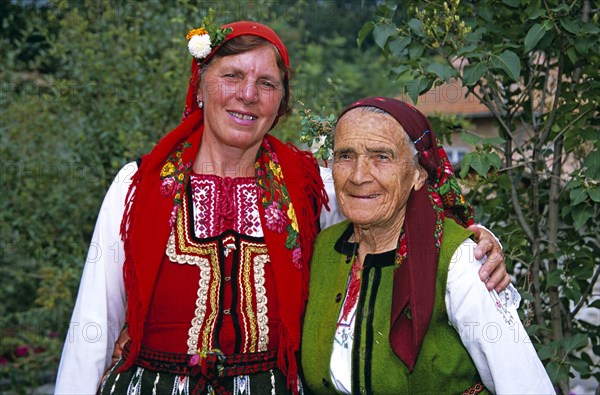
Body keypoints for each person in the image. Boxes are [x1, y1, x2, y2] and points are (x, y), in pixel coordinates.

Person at [54, 18, 508, 395]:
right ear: (200, 86)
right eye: (231, 76)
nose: (247, 94)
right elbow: (93, 324)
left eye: (266, 83)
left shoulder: (313, 186)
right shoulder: (137, 185)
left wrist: (478, 241)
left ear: (280, 104)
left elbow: (392, 200)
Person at [301, 97, 555, 395]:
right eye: (345, 156)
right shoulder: (326, 247)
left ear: (419, 173)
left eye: (381, 157)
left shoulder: (461, 261)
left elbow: (524, 384)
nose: (358, 175)